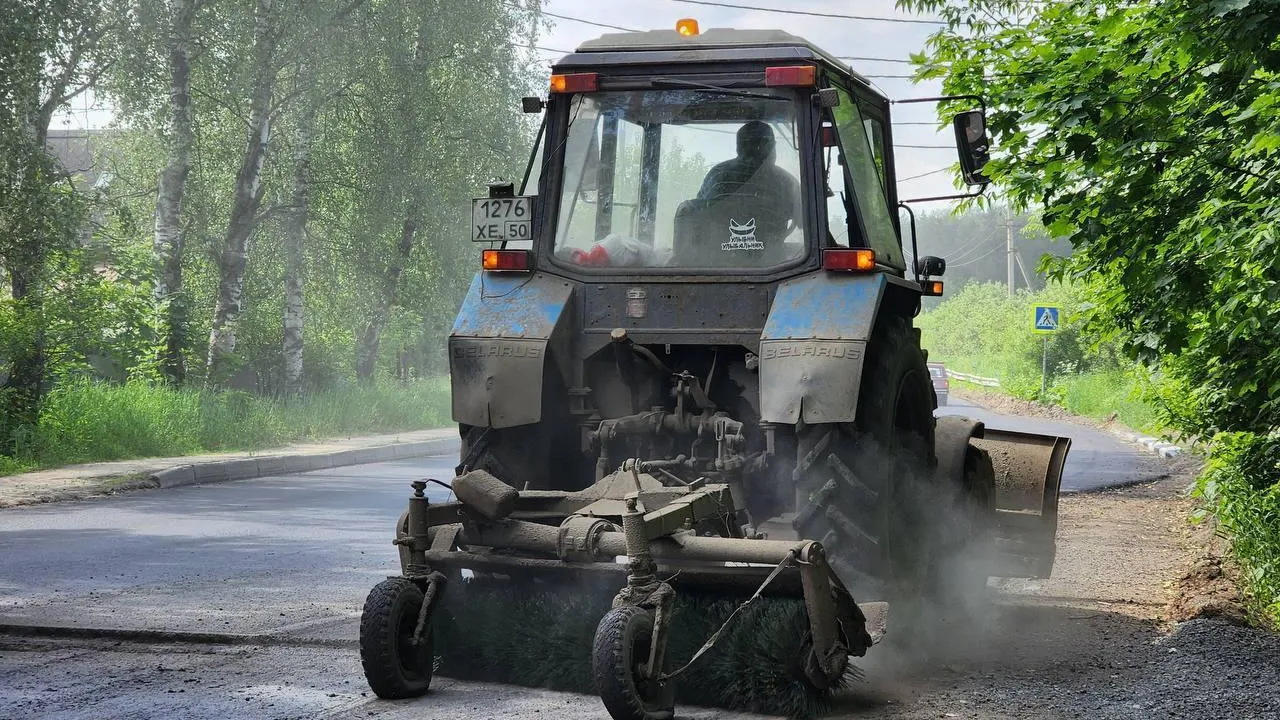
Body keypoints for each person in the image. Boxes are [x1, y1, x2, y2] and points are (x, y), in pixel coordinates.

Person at [695, 120, 800, 229]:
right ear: (773, 148)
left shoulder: (717, 175)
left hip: (715, 245)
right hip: (773, 245)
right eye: (764, 146)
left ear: (738, 148)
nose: (756, 151)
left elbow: (697, 216)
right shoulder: (787, 183)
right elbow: (805, 224)